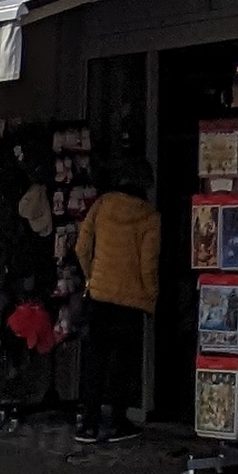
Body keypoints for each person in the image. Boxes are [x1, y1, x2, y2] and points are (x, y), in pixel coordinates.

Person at [74, 170, 163, 442]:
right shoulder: (150, 217)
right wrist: (151, 298)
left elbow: (81, 247)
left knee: (94, 362)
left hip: (99, 297)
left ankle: (88, 424)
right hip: (130, 302)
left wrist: (92, 276)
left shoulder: (102, 204)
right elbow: (148, 266)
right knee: (122, 365)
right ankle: (117, 423)